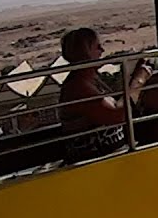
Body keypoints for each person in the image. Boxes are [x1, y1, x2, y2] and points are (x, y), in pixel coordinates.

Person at [58, 27, 153, 163]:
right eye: (97, 47)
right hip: (93, 160)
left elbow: (116, 105)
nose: (102, 50)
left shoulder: (91, 79)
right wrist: (138, 81)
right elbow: (117, 116)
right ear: (85, 53)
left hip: (108, 155)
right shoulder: (78, 86)